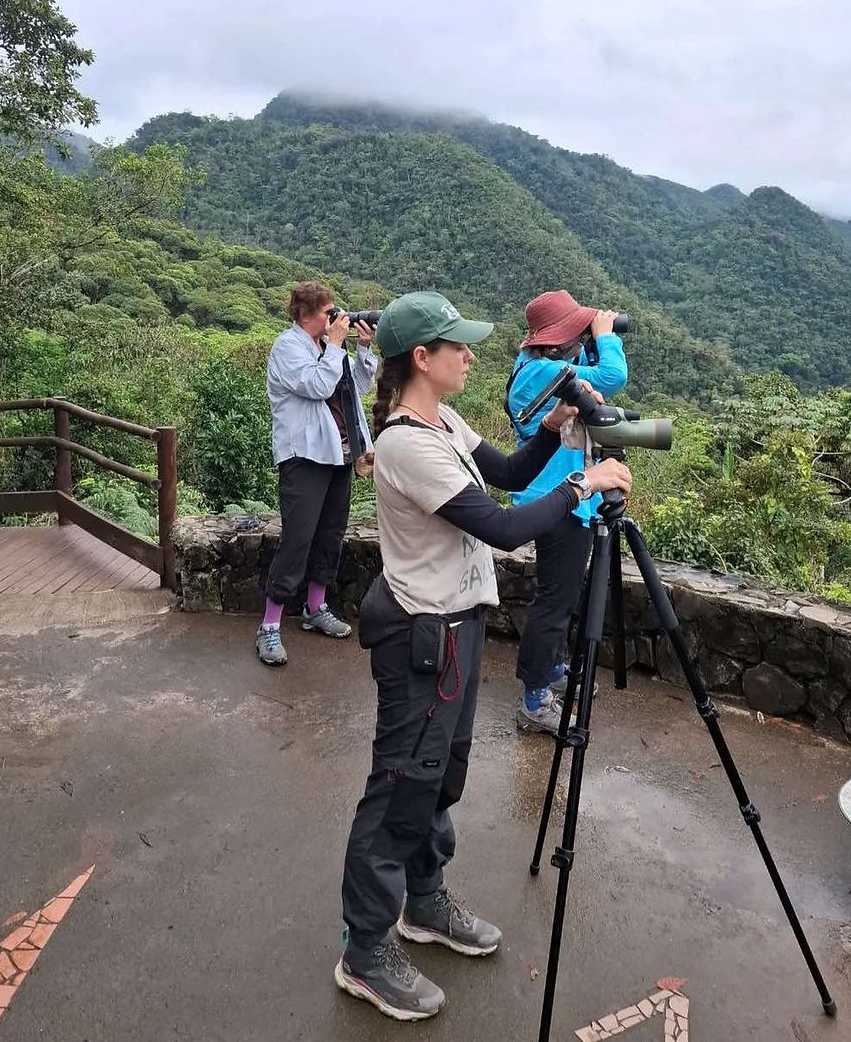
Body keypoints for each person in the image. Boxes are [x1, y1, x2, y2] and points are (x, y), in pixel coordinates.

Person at [335, 291, 632, 1021]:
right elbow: (500, 525)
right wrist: (583, 481)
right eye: (458, 346)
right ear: (421, 359)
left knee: (440, 779)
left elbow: (505, 467)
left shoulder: (446, 420)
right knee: (400, 786)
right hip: (420, 637)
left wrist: (561, 432)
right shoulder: (407, 443)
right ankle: (365, 950)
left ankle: (425, 902)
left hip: (459, 627)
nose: (471, 355)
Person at [505, 290, 629, 734]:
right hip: (560, 500)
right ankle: (535, 701)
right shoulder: (545, 371)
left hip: (563, 496)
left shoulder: (533, 367)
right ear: (560, 339)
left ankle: (553, 670)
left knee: (559, 595)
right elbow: (612, 376)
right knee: (554, 603)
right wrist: (605, 335)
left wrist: (590, 339)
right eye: (576, 332)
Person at [256, 280, 378, 666]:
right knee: (298, 538)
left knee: (330, 534)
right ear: (307, 315)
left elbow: (355, 387)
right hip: (304, 457)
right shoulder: (287, 347)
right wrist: (338, 346)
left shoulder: (330, 348)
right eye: (328, 313)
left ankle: (315, 607)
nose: (335, 318)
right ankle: (270, 625)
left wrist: (362, 348)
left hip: (339, 454)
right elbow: (315, 385)